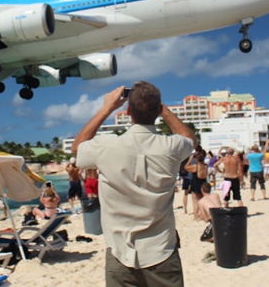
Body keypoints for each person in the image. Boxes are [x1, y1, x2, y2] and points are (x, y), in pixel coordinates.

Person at [72, 82, 195, 287]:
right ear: (158, 110)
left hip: (120, 251)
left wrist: (107, 108)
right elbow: (190, 139)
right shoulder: (171, 147)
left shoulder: (106, 146)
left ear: (128, 110)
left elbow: (78, 148)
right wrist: (160, 108)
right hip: (161, 249)